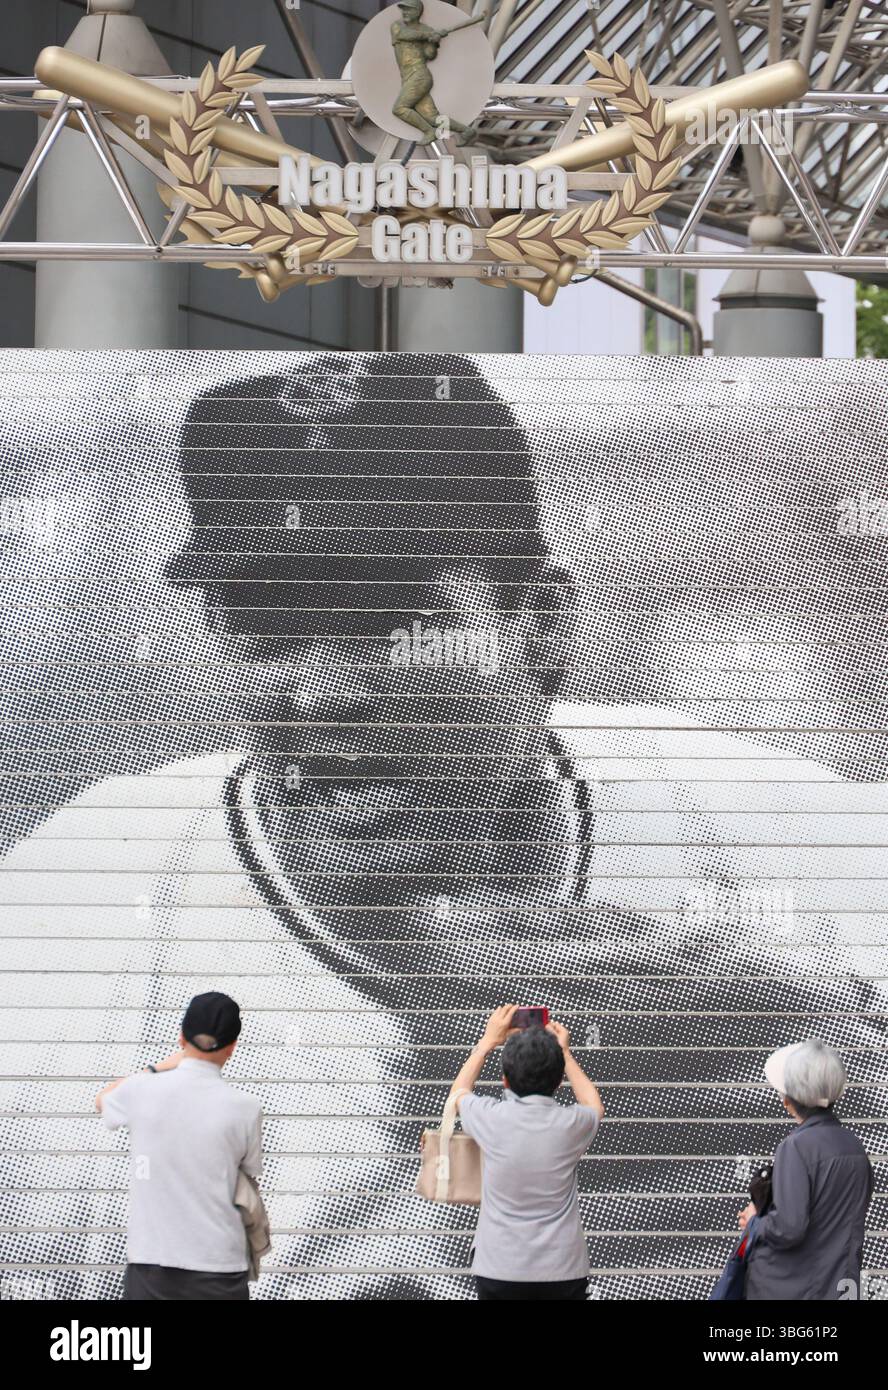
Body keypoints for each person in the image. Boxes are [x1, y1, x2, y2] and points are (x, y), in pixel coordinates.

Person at [96, 991, 263, 1302]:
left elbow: (103, 1100)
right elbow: (250, 1169)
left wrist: (163, 1066)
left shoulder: (141, 1091)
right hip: (220, 1264)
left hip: (152, 1262)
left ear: (180, 1036)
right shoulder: (246, 1107)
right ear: (232, 1048)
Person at [447, 1005, 604, 1300]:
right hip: (563, 1269)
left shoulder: (490, 1117)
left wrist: (488, 1042)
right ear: (559, 1082)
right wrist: (565, 1054)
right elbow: (593, 1104)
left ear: (505, 1081)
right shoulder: (572, 1124)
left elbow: (459, 1094)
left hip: (498, 1268)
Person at [739, 1040, 874, 1301]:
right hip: (842, 1288)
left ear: (788, 1100)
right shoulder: (855, 1148)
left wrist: (754, 1222)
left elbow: (788, 1227)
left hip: (793, 1290)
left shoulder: (796, 1148)